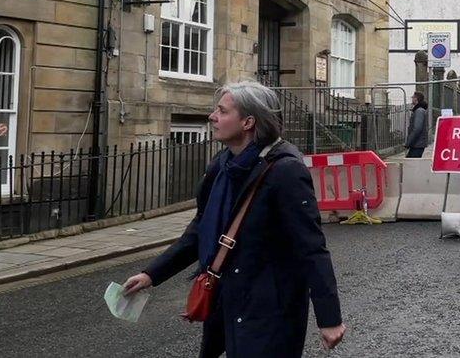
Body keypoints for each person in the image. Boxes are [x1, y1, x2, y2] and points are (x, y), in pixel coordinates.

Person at [122, 81, 346, 357]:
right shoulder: (222, 165)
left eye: (222, 111)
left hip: (268, 309)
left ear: (248, 122)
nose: (212, 117)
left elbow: (311, 247)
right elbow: (201, 230)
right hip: (225, 300)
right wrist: (151, 274)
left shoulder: (285, 171)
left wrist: (329, 317)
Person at [405, 91, 429, 158]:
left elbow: (417, 128)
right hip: (417, 144)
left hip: (417, 144)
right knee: (411, 163)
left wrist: (409, 142)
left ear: (416, 99)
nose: (412, 98)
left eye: (413, 97)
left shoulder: (419, 111)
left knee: (411, 164)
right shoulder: (419, 110)